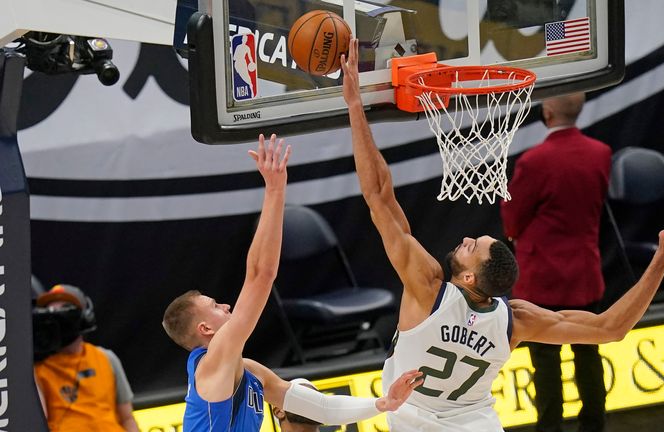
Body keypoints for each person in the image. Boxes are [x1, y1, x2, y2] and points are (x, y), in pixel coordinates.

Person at [340, 38, 664, 431]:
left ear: (470, 277)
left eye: (474, 247)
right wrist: (662, 259)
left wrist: (356, 105)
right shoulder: (514, 321)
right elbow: (611, 329)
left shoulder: (427, 287)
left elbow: (378, 195)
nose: (467, 239)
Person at [161, 134, 422, 431]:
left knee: (302, 388)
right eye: (214, 306)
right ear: (205, 329)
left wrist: (382, 403)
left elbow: (320, 407)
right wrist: (274, 190)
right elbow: (261, 275)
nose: (226, 304)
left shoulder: (249, 372)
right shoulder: (211, 363)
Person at [500, 92, 611, 432]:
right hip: (584, 272)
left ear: (546, 111)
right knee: (588, 355)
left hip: (541, 277)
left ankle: (549, 429)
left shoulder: (535, 161)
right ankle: (594, 426)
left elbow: (512, 222)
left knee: (545, 361)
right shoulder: (601, 153)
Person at [34, 283, 139, 432]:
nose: (56, 315)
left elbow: (127, 418)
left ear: (84, 316)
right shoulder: (38, 369)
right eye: (50, 310)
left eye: (64, 309)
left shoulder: (106, 358)